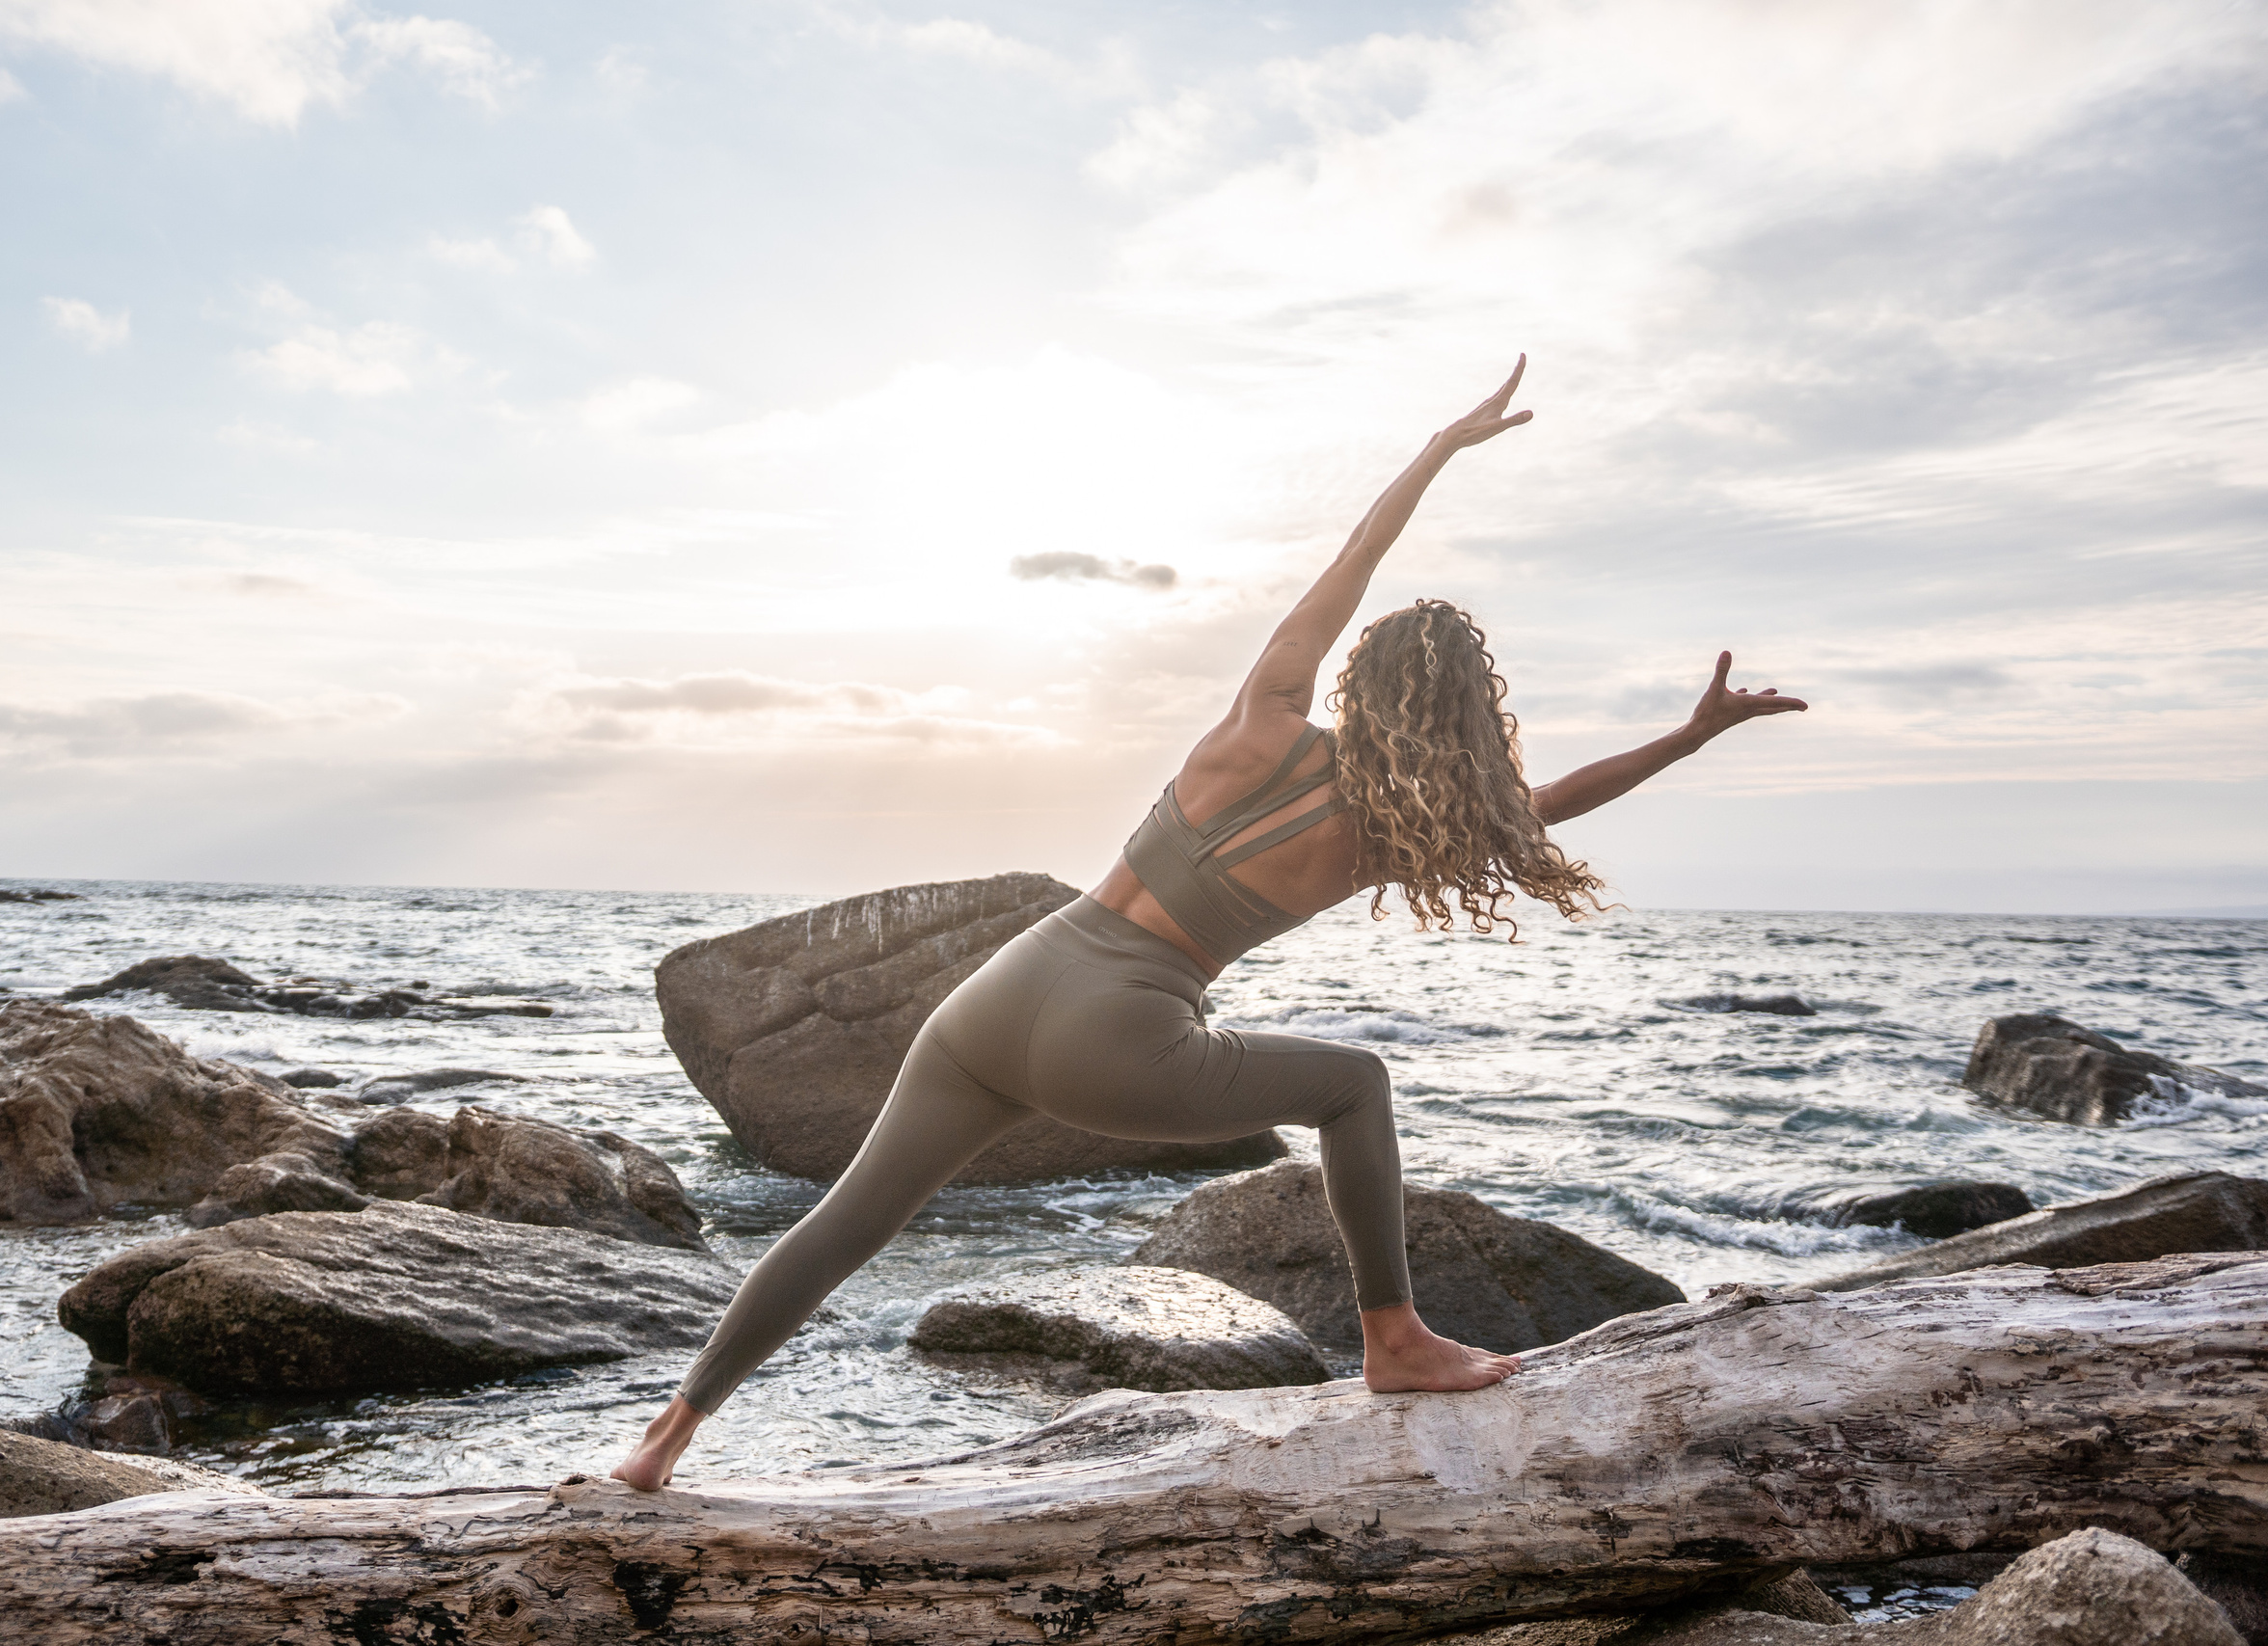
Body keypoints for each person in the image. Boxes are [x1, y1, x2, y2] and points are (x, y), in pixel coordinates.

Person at [614, 356, 1806, 1490]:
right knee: (1354, 1083)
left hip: (1001, 988)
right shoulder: (1405, 827)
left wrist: (1439, 450)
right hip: (1121, 1029)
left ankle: (664, 1439)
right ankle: (1392, 1338)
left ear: (1359, 680)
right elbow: (1537, 811)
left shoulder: (1264, 719)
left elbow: (1345, 566)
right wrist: (1686, 739)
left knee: (850, 1220)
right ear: (1463, 730)